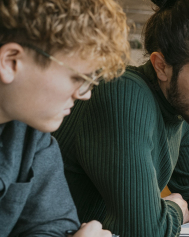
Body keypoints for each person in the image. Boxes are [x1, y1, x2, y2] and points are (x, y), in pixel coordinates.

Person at [52, 0, 189, 236]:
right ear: (161, 67)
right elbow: (143, 229)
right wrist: (176, 210)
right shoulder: (122, 92)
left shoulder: (182, 104)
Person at [0, 0, 129, 235]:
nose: (86, 94)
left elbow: (53, 227)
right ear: (11, 61)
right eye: (78, 78)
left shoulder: (35, 138)